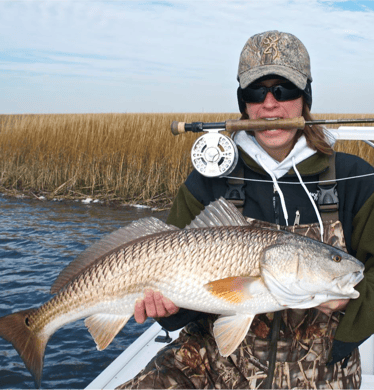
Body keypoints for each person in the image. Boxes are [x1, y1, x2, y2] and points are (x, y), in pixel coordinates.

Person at [117, 30, 374, 390]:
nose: (270, 104)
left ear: (306, 98)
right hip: (209, 361)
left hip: (324, 371)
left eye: (284, 90)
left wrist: (343, 305)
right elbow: (174, 276)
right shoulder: (209, 179)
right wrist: (170, 310)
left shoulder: (354, 177)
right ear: (244, 103)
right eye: (256, 91)